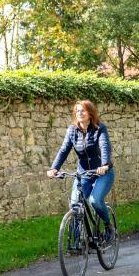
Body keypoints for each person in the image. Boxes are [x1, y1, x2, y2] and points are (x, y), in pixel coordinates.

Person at [47, 100, 115, 240]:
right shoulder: (72, 130)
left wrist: (105, 165)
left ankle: (108, 226)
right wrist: (54, 168)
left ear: (90, 113)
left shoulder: (99, 128)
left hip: (103, 173)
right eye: (77, 111)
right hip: (83, 173)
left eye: (83, 110)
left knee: (95, 201)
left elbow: (104, 147)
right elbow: (64, 150)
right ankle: (79, 241)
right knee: (75, 204)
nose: (80, 113)